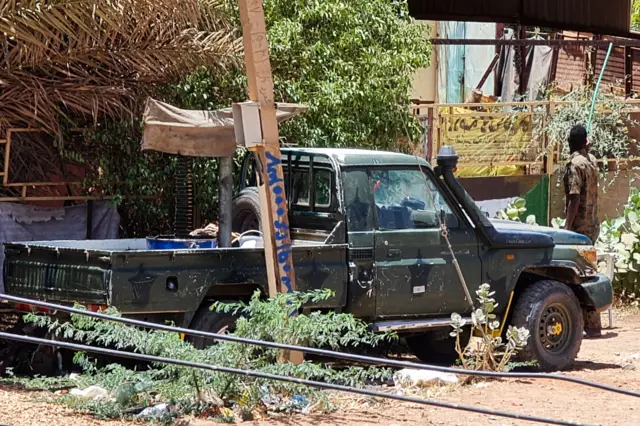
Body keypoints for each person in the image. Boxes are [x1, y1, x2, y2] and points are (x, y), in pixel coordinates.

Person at [563, 124, 602, 338]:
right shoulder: (592, 161)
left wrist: (567, 227)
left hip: (578, 228)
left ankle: (588, 323)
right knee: (589, 272)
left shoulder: (574, 165)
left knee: (578, 274)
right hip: (592, 224)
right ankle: (593, 322)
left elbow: (574, 197)